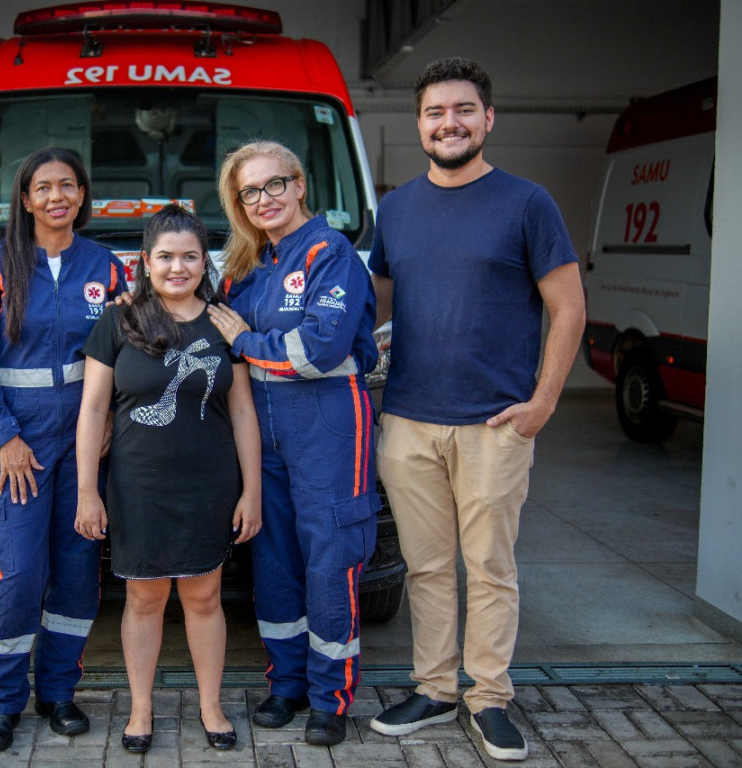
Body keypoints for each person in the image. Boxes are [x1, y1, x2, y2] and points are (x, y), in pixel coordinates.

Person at [366, 58, 585, 762]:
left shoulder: (527, 203)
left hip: (495, 423)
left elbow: (569, 307)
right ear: (420, 124)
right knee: (425, 568)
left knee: (488, 566)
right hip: (407, 421)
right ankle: (433, 687)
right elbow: (376, 309)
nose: (448, 123)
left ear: (488, 119)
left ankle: (489, 697)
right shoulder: (395, 210)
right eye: (435, 112)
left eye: (463, 110)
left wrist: (543, 403)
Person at [206, 141, 381, 747]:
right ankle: (288, 684)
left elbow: (318, 350)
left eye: (273, 185)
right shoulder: (248, 264)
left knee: (330, 560)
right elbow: (209, 328)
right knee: (275, 560)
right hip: (264, 430)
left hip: (328, 426)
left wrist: (250, 342)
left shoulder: (332, 254)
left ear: (300, 184)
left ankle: (330, 698)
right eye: (248, 193)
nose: (263, 200)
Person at [75, 204, 261, 753]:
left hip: (208, 483)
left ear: (206, 261)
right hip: (137, 485)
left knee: (205, 598)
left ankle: (210, 705)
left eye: (189, 257)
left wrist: (252, 490)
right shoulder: (119, 320)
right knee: (143, 600)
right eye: (165, 257)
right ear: (145, 261)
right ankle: (140, 709)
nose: (177, 268)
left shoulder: (226, 322)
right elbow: (92, 410)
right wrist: (88, 490)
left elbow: (244, 411)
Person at [0, 147, 128, 752]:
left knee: (79, 573)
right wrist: (2, 437)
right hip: (19, 449)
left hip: (84, 447)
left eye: (68, 186)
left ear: (83, 196)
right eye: (44, 187)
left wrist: (110, 416)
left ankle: (57, 693)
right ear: (26, 199)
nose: (57, 197)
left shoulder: (105, 267)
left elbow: (121, 356)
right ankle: (1, 703)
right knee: (21, 574)